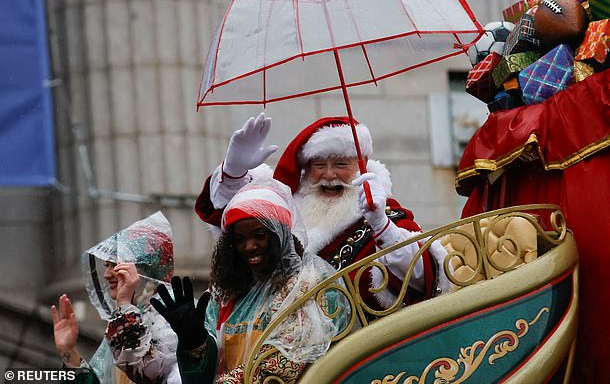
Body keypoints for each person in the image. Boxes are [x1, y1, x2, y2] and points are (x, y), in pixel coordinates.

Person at [195, 114, 451, 309]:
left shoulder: (386, 214)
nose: (329, 176)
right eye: (319, 165)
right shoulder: (287, 211)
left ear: (361, 166)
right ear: (306, 170)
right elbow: (234, 223)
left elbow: (422, 277)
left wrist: (380, 224)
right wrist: (233, 172)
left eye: (341, 164)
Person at [152, 179, 345, 384]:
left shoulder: (310, 282)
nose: (249, 246)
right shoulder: (228, 292)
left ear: (280, 234)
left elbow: (285, 364)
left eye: (259, 235)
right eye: (239, 239)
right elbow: (205, 370)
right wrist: (194, 340)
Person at [51, 212, 181, 383]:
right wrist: (68, 352)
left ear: (146, 270)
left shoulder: (173, 318)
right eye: (107, 265)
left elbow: (145, 370)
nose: (106, 274)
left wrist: (125, 305)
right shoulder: (125, 319)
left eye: (117, 264)